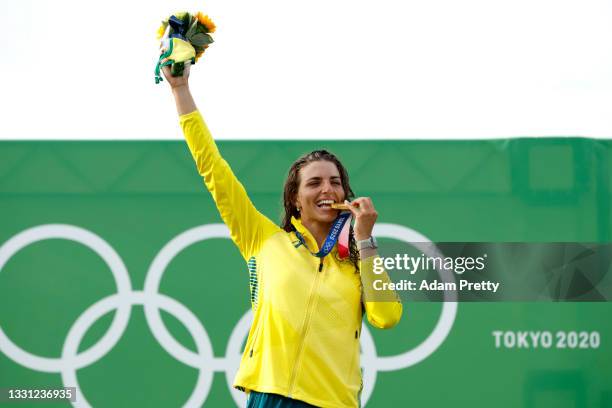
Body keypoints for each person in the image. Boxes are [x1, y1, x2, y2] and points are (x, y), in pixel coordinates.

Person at [161, 60, 402, 408]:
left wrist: (364, 239)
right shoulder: (263, 239)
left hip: (334, 402)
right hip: (270, 395)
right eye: (315, 182)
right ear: (295, 198)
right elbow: (212, 168)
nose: (327, 190)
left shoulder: (355, 261)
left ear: (345, 196)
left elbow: (387, 317)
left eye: (335, 183)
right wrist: (180, 90)